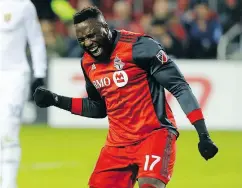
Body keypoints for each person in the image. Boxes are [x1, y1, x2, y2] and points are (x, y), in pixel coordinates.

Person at [33, 6, 218, 188]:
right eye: (81, 39)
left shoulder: (141, 47)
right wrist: (55, 100)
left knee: (150, 185)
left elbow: (179, 87)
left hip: (154, 135)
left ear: (105, 27)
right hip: (117, 145)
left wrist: (203, 134)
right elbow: (98, 108)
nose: (87, 43)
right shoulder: (87, 63)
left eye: (91, 35)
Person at [0, 0, 47, 187]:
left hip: (15, 75)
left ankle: (9, 184)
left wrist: (40, 74)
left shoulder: (24, 5)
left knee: (8, 131)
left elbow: (36, 40)